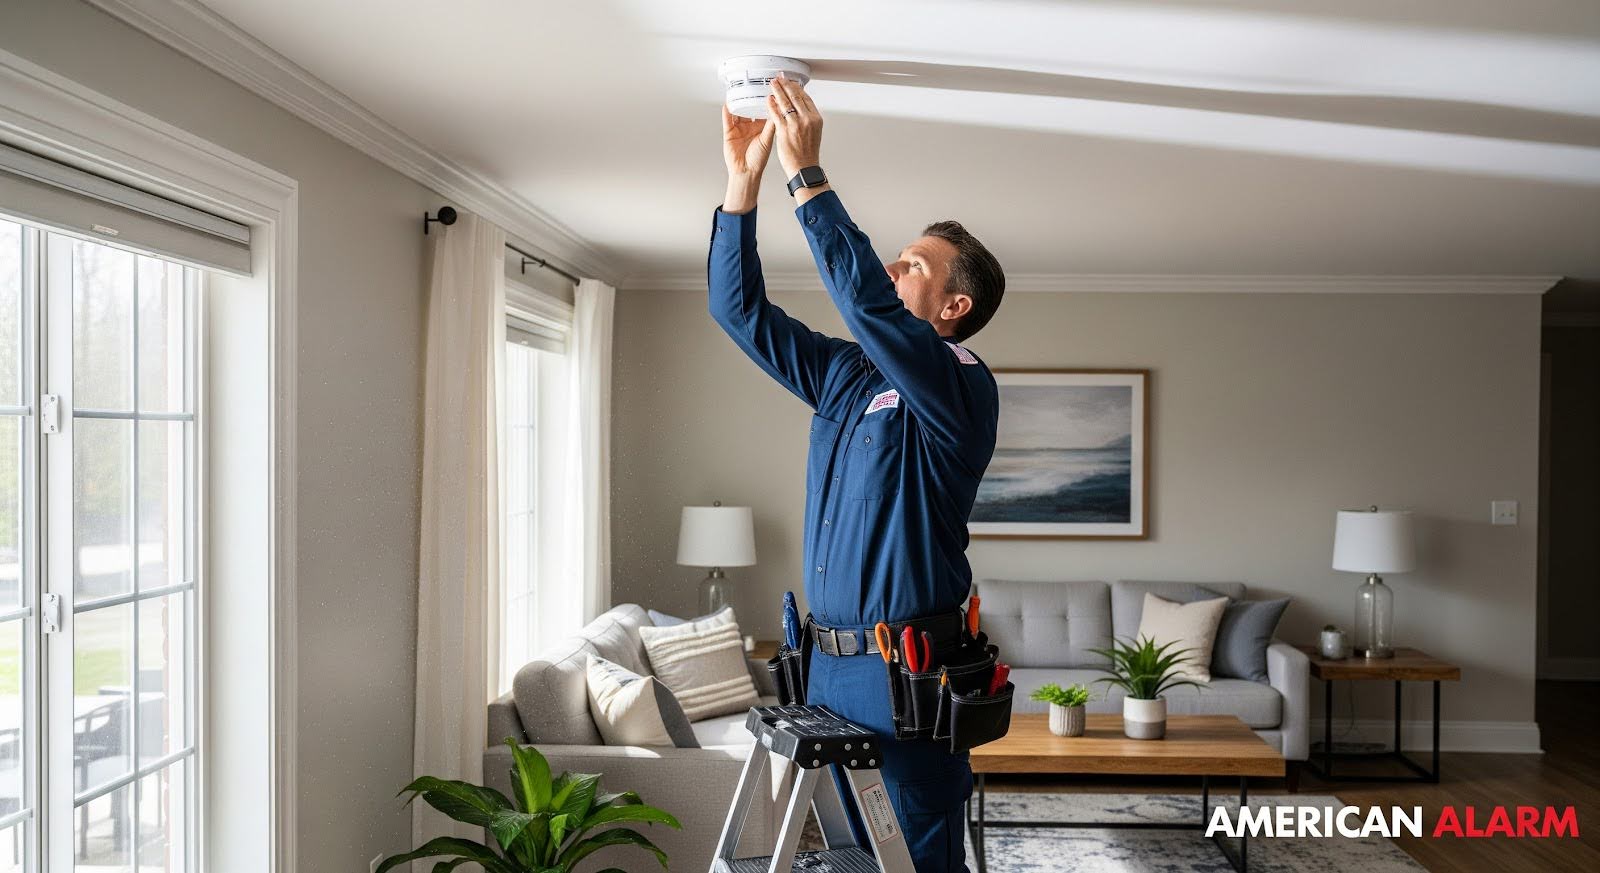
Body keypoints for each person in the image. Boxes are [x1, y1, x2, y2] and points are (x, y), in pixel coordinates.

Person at [707, 75, 1005, 872]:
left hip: (906, 682)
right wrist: (743, 190)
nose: (892, 268)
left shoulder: (960, 383)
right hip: (824, 675)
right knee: (836, 862)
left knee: (914, 855)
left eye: (911, 263)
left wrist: (807, 176)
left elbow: (869, 305)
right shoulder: (846, 377)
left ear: (952, 308)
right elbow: (739, 315)